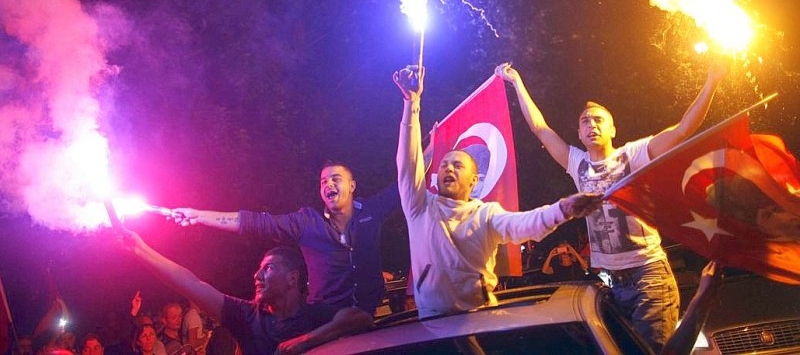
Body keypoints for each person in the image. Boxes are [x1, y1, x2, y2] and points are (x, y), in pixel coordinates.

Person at [496, 60, 728, 352]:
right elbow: (540, 128)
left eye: (598, 120)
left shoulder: (634, 154)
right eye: (584, 122)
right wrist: (516, 82)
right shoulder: (577, 163)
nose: (591, 125)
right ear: (579, 135)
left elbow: (682, 130)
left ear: (612, 129)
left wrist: (712, 81)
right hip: (609, 283)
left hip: (648, 276)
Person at [393, 65, 604, 319]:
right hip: (430, 323)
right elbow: (408, 163)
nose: (448, 167)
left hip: (480, 318)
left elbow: (525, 224)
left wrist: (563, 209)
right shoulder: (420, 207)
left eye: (457, 164)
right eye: (444, 164)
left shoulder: (486, 214)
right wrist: (411, 105)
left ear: (474, 180)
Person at [169, 162, 399, 316]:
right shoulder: (307, 223)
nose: (328, 184)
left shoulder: (371, 211)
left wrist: (431, 141)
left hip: (376, 315)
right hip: (325, 324)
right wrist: (199, 215)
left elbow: (407, 184)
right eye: (323, 181)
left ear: (351, 186)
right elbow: (256, 223)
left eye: (335, 179)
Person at [119, 229, 373, 355]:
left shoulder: (316, 315)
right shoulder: (246, 315)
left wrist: (306, 340)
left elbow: (360, 318)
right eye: (258, 270)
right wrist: (140, 249)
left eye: (268, 269)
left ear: (292, 278)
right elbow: (192, 283)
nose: (257, 276)